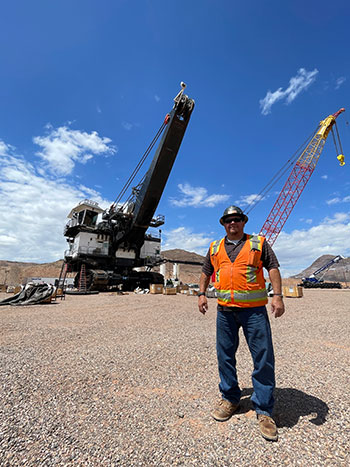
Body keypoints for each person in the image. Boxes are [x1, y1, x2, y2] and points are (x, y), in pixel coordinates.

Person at [198, 206, 285, 441]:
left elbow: (273, 268)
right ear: (223, 224)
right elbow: (206, 271)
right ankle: (230, 398)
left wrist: (277, 296)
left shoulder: (258, 243)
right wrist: (201, 293)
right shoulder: (215, 247)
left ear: (243, 222)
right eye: (228, 220)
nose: (232, 223)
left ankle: (265, 410)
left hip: (254, 312)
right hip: (225, 311)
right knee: (225, 355)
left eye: (236, 219)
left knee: (263, 357)